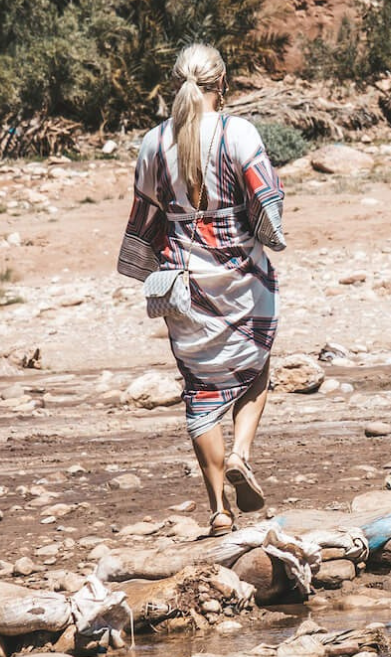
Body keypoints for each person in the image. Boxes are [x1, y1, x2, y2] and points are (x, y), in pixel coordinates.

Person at [116, 44, 287, 536]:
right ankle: (241, 453)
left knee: (201, 387)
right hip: (241, 277)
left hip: (183, 282)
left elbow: (145, 213)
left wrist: (150, 260)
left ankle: (217, 510)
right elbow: (265, 199)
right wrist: (264, 230)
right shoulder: (239, 132)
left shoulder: (154, 141)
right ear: (223, 82)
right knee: (256, 361)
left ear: (177, 82)